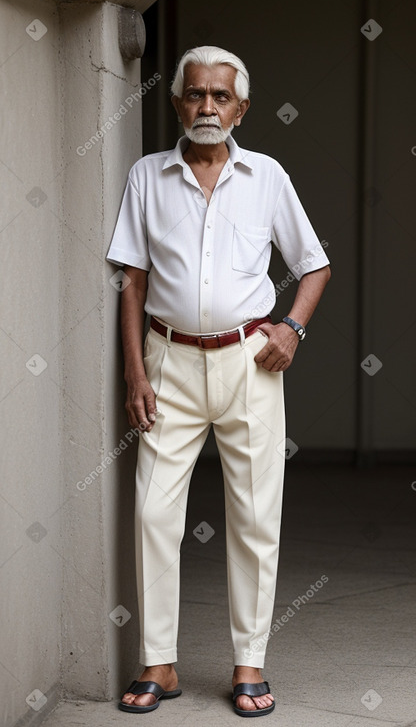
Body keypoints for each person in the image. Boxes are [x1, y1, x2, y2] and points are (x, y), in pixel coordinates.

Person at [106, 45, 331, 718]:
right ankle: (159, 665)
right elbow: (132, 280)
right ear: (176, 103)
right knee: (152, 513)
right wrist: (135, 371)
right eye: (195, 95)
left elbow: (313, 264)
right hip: (167, 362)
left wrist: (290, 328)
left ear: (241, 108)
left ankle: (248, 665)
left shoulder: (266, 177)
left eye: (220, 97)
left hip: (247, 363)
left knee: (255, 516)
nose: (208, 107)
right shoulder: (148, 175)